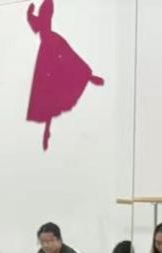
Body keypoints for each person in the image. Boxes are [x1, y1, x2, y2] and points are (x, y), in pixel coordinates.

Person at [25, 0, 104, 150]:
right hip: (47, 50)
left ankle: (47, 129)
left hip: (48, 49)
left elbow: (40, 24)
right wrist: (30, 15)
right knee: (49, 91)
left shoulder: (48, 12)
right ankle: (47, 129)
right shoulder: (47, 17)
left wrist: (30, 15)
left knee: (51, 88)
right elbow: (40, 24)